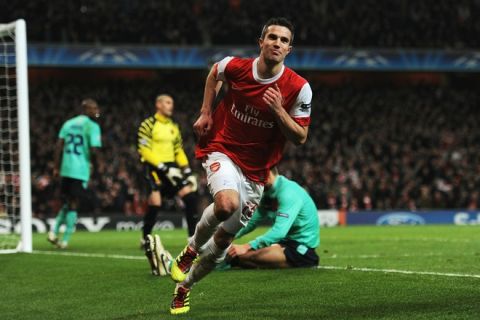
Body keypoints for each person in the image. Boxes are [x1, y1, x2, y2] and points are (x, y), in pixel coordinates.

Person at [167, 17, 313, 314]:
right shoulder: (236, 66)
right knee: (225, 205)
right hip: (223, 148)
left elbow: (300, 137)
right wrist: (206, 111)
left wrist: (277, 110)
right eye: (272, 37)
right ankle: (192, 248)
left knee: (222, 244)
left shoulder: (299, 88)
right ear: (261, 42)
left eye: (284, 40)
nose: (277, 43)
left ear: (289, 49)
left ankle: (185, 287)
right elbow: (214, 73)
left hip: (256, 172)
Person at [137, 94, 199, 275]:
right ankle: (145, 238)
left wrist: (187, 171)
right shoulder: (148, 124)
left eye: (172, 102)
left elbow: (178, 150)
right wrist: (163, 167)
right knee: (155, 202)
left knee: (190, 196)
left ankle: (192, 238)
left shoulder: (173, 127)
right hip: (154, 167)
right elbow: (144, 149)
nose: (171, 106)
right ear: (158, 104)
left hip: (171, 167)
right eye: (167, 102)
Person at [227, 168, 319, 269]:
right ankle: (234, 260)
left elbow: (279, 232)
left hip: (301, 249)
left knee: (251, 255)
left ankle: (231, 261)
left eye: (256, 177)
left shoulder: (288, 193)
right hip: (283, 243)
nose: (254, 181)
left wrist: (246, 246)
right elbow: (250, 222)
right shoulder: (267, 194)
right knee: (249, 255)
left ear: (268, 174)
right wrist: (227, 236)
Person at [47, 99, 102, 249]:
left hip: (66, 169)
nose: (97, 110)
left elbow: (59, 146)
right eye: (94, 108)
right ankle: (64, 240)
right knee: (74, 203)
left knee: (68, 202)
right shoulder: (92, 126)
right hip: (80, 170)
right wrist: (99, 166)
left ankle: (53, 232)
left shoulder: (68, 124)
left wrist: (56, 167)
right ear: (86, 109)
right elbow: (95, 149)